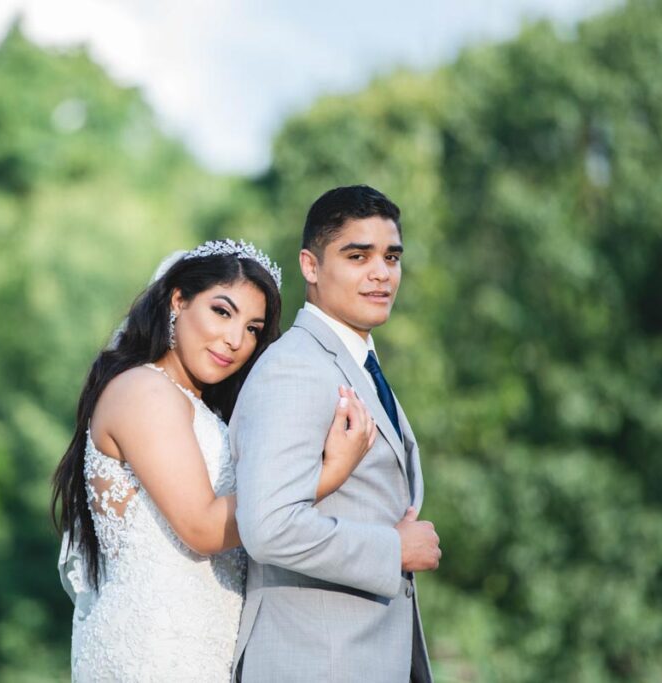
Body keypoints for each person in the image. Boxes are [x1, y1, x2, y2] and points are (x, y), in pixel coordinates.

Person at [52, 239, 378, 682]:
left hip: (205, 651)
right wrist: (328, 474)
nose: (234, 340)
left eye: (253, 329)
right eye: (222, 312)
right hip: (153, 653)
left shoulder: (203, 411)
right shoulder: (143, 392)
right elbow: (203, 528)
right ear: (178, 300)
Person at [231, 186, 442, 682]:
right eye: (357, 255)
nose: (381, 273)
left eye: (391, 257)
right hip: (315, 663)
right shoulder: (296, 368)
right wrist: (393, 550)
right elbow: (268, 527)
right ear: (310, 265)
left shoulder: (359, 363)